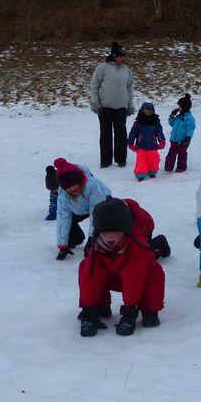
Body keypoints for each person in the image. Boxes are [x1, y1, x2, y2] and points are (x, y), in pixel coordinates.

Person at [77, 197, 165, 337]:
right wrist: (89, 309)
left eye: (116, 231)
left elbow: (134, 277)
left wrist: (129, 310)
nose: (110, 236)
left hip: (138, 280)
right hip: (113, 275)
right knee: (86, 266)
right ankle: (99, 307)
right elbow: (91, 276)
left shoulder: (136, 245)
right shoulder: (98, 247)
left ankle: (149, 311)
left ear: (125, 229)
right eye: (105, 232)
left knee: (154, 271)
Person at [53, 157, 112, 260]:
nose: (71, 189)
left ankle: (101, 240)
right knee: (68, 220)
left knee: (103, 218)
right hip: (77, 209)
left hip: (101, 203)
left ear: (80, 180)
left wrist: (91, 240)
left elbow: (95, 212)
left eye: (74, 185)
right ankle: (76, 239)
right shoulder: (63, 195)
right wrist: (62, 245)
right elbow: (63, 217)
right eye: (68, 187)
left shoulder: (91, 186)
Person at [89, 41, 135, 169]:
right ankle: (105, 160)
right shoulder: (102, 68)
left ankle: (121, 159)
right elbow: (94, 86)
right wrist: (95, 103)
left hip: (121, 107)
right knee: (105, 133)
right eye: (120, 56)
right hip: (104, 106)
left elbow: (129, 89)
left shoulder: (127, 70)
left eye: (123, 56)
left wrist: (130, 105)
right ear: (114, 56)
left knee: (121, 132)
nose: (122, 58)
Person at [127, 102, 166, 181]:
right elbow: (133, 133)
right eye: (145, 110)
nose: (147, 112)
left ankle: (152, 172)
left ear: (152, 111)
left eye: (149, 110)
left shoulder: (156, 122)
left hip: (152, 146)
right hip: (141, 147)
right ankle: (140, 174)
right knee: (141, 162)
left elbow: (159, 132)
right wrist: (130, 142)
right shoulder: (138, 122)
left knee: (154, 160)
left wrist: (162, 141)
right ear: (142, 111)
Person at [164, 93, 196, 173]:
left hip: (183, 141)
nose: (178, 108)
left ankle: (181, 167)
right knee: (171, 154)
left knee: (182, 155)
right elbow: (172, 124)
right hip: (174, 140)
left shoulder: (189, 118)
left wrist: (188, 138)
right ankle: (168, 166)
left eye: (180, 106)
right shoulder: (178, 117)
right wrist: (172, 116)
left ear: (184, 107)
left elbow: (190, 128)